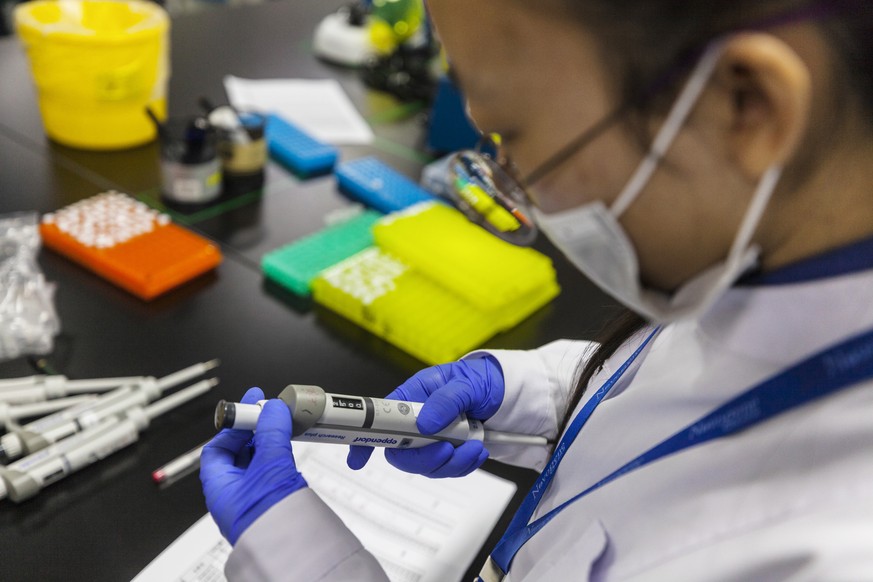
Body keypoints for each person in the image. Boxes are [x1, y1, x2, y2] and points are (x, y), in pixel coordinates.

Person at [200, 0, 873, 579]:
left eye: (514, 139)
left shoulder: (831, 555)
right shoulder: (771, 249)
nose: (513, 186)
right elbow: (683, 388)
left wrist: (302, 562)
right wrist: (525, 393)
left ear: (745, 107)